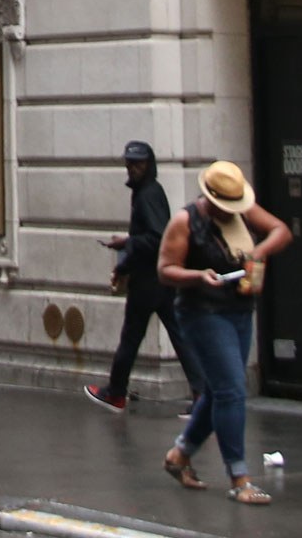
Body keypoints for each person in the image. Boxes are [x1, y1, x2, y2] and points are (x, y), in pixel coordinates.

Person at [157, 160, 293, 505]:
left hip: (239, 309)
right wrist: (197, 275)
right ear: (210, 198)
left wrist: (257, 254)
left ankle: (180, 454)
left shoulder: (243, 211)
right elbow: (165, 270)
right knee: (232, 389)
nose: (231, 211)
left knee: (220, 391)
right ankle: (240, 478)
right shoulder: (186, 221)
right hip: (202, 312)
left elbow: (281, 230)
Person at [85, 140, 203, 412]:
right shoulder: (148, 191)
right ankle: (201, 395)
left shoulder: (147, 193)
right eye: (130, 163)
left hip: (148, 280)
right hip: (160, 277)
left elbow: (155, 237)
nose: (133, 168)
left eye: (138, 163)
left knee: (132, 337)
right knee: (179, 335)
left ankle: (116, 393)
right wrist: (126, 253)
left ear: (149, 165)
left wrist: (126, 247)